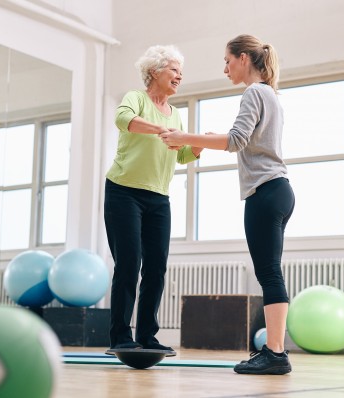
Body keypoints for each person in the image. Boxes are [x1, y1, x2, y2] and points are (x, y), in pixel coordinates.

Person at [160, 34, 295, 375]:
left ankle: (276, 353)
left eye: (227, 61)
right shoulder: (271, 95)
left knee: (268, 273)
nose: (225, 68)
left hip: (265, 191)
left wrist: (184, 137)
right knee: (271, 272)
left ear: (245, 58)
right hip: (279, 190)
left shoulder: (254, 92)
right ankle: (276, 352)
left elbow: (236, 140)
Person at [104, 45, 202, 355]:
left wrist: (197, 147)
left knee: (156, 267)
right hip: (123, 192)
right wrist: (160, 129)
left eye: (180, 70)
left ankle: (147, 335)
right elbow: (123, 120)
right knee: (129, 263)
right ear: (154, 72)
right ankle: (120, 335)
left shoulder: (177, 114)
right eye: (173, 69)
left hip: (159, 198)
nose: (179, 75)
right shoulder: (137, 98)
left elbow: (181, 154)